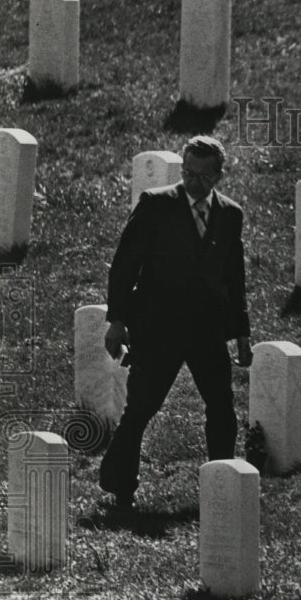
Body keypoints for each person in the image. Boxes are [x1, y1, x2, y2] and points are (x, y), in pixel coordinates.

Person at [100, 135, 252, 508]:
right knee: (142, 408)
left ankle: (222, 485)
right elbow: (125, 265)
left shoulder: (230, 214)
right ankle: (120, 487)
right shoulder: (156, 205)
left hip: (207, 329)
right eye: (188, 173)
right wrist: (117, 320)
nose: (193, 182)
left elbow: (234, 277)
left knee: (221, 407)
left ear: (218, 175)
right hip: (159, 326)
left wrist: (241, 333)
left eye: (203, 176)